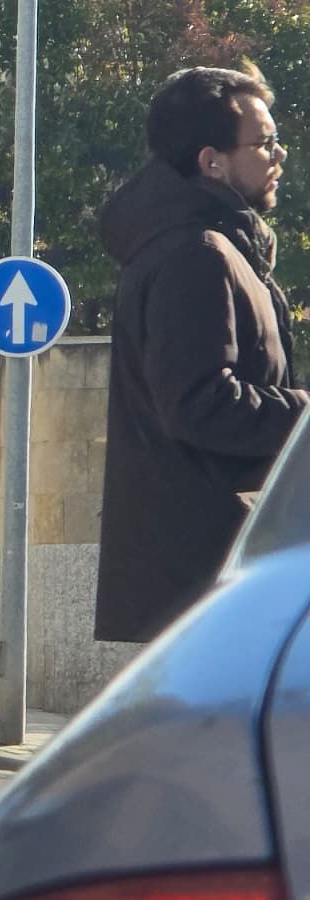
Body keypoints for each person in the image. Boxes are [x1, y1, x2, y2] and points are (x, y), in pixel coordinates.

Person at [95, 65, 310, 643]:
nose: (279, 155)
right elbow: (198, 404)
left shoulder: (215, 248)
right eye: (264, 143)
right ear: (212, 160)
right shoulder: (196, 255)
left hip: (216, 575)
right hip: (208, 580)